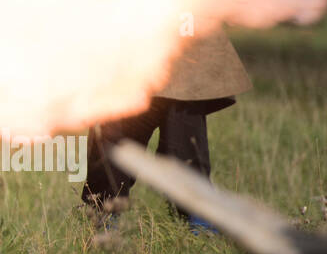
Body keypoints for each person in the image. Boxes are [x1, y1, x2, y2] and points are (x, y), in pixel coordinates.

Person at [81, 27, 253, 229]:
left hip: (185, 50)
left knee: (183, 147)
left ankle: (199, 228)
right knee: (112, 140)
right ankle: (105, 222)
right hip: (126, 50)